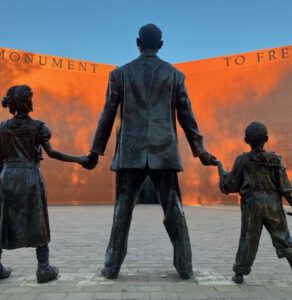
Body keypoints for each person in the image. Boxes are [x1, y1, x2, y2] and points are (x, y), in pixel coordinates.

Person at [85, 24, 217, 279]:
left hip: (130, 153)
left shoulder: (120, 74)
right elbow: (187, 115)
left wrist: (95, 150)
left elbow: (108, 114)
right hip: (164, 151)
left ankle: (112, 266)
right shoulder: (175, 75)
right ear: (161, 45)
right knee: (174, 208)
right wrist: (199, 150)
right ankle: (185, 265)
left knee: (122, 210)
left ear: (137, 42)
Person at [0, 85, 88, 283]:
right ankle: (43, 268)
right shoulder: (38, 127)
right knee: (38, 219)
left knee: (1, 220)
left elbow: (1, 158)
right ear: (28, 101)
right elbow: (52, 153)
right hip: (30, 177)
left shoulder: (3, 128)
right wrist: (80, 159)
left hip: (7, 177)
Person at [215, 122, 292, 284]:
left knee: (248, 238)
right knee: (283, 237)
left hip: (252, 205)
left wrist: (219, 166)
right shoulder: (277, 160)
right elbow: (286, 188)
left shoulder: (242, 160)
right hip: (273, 205)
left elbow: (230, 185)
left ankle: (239, 273)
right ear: (267, 139)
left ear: (245, 140)